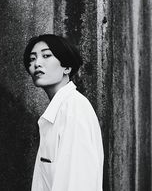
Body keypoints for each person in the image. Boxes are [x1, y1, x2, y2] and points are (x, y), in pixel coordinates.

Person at [23, 34, 104, 191]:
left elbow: (77, 183)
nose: (37, 64)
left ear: (67, 67)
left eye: (46, 56)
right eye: (32, 59)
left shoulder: (73, 109)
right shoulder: (61, 108)